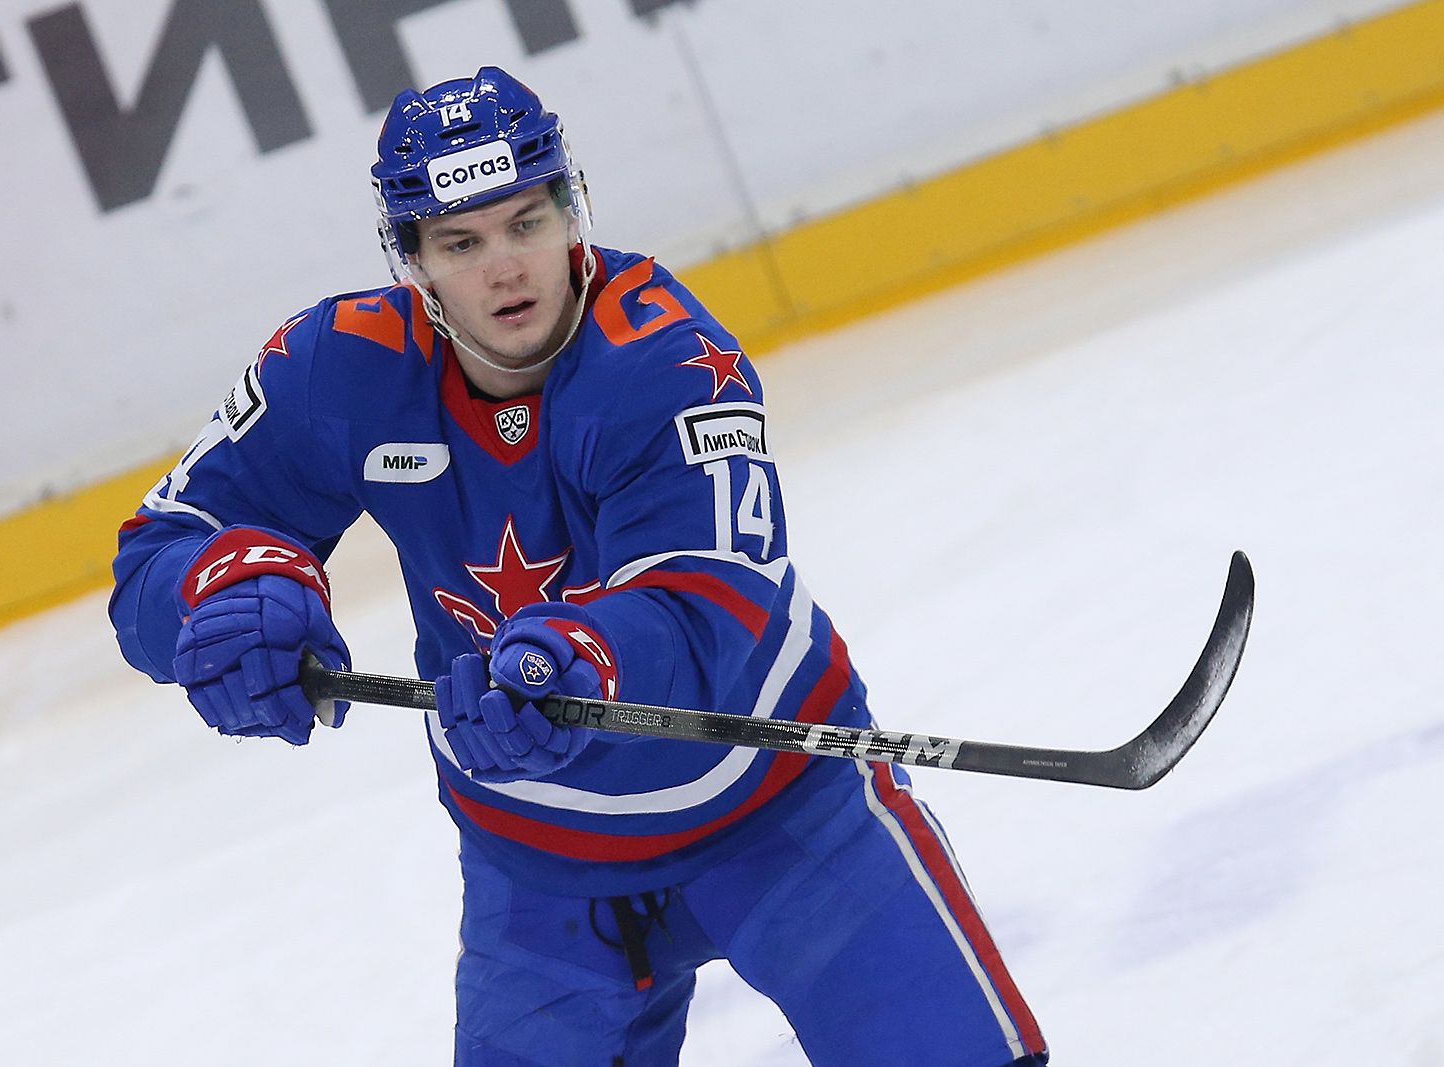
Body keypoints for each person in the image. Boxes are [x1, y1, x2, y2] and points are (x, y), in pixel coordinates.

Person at [109, 66, 1047, 1067]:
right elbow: (161, 545)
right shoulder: (337, 366)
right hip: (541, 870)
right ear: (411, 261)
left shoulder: (666, 359)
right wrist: (225, 592)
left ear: (572, 212)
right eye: (461, 243)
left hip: (779, 808)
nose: (504, 267)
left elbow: (710, 607)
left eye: (525, 222)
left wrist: (578, 656)